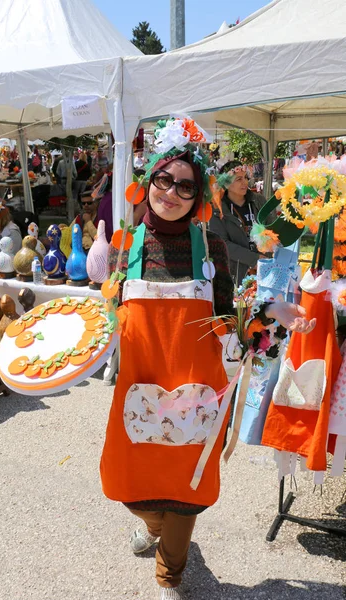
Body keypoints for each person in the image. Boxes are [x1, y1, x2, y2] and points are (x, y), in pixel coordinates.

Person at [99, 120, 315, 600]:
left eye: (184, 186)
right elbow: (110, 316)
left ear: (197, 196)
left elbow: (227, 319)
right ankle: (153, 527)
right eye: (163, 180)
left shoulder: (209, 246)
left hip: (197, 393)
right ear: (149, 179)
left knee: (186, 492)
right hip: (138, 389)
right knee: (127, 486)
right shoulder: (127, 244)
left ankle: (169, 577)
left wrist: (271, 311)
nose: (171, 192)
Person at [209, 160, 271, 285]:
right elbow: (222, 243)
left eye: (245, 178)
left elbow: (272, 228)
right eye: (238, 179)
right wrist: (254, 259)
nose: (245, 183)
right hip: (235, 273)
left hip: (265, 268)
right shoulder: (217, 209)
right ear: (226, 184)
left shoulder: (258, 200)